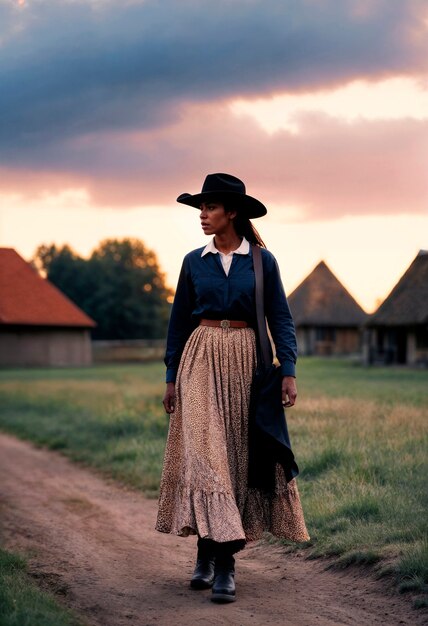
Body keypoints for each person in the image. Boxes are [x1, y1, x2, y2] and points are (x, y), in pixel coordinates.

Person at [155, 173, 309, 603]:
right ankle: (218, 562)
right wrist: (171, 377)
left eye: (210, 208)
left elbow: (280, 317)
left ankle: (215, 558)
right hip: (200, 357)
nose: (202, 215)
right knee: (206, 459)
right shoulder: (193, 261)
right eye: (200, 209)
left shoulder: (263, 261)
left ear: (232, 213)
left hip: (247, 364)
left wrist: (289, 370)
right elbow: (178, 323)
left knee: (237, 461)